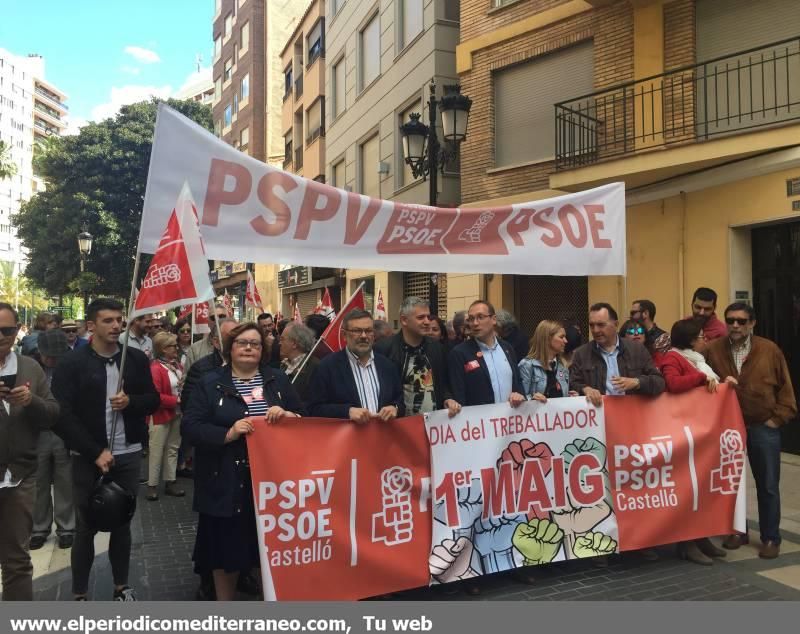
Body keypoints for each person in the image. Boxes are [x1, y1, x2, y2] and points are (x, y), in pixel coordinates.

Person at [182, 322, 303, 600]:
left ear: (263, 350)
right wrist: (228, 433)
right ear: (230, 348)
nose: (249, 348)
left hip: (272, 484)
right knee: (225, 552)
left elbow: (301, 416)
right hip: (224, 482)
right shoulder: (210, 382)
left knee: (267, 547)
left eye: (256, 344)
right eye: (242, 343)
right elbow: (190, 427)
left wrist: (288, 416)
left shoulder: (278, 380)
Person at [52, 298, 159, 601]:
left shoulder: (135, 359)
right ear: (91, 326)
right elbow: (62, 415)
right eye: (108, 321)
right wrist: (94, 451)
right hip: (88, 457)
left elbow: (152, 399)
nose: (116, 326)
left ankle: (121, 587)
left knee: (122, 523)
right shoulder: (72, 363)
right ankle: (80, 593)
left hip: (128, 452)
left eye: (118, 320)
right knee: (86, 527)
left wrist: (131, 403)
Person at [706, 303, 797, 559]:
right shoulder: (714, 349)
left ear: (752, 323)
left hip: (763, 426)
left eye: (741, 321)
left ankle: (770, 537)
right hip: (728, 429)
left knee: (767, 484)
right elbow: (696, 371)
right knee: (731, 483)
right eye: (731, 320)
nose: (735, 325)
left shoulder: (769, 350)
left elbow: (786, 389)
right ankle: (737, 531)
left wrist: (778, 419)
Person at [0, 303, 60, 600]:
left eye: (7, 330)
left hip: (18, 478)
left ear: (15, 332)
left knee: (17, 562)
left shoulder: (29, 367)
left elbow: (52, 413)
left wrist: (31, 401)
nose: (1, 336)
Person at [656, 318, 727, 565]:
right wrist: (698, 379)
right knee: (688, 488)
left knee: (702, 487)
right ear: (688, 339)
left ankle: (701, 536)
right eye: (699, 336)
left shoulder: (696, 359)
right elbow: (673, 384)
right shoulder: (672, 359)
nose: (704, 339)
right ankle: (686, 543)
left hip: (701, 430)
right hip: (684, 430)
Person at [309, 309, 401, 423]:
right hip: (347, 439)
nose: (363, 336)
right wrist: (346, 411)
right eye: (357, 331)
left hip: (382, 438)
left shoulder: (387, 366)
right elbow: (313, 409)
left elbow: (399, 400)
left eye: (368, 331)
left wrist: (395, 408)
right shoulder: (327, 367)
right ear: (344, 335)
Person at [375, 297, 460, 417]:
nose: (427, 322)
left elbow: (443, 382)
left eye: (428, 317)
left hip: (434, 425)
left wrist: (447, 398)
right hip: (398, 427)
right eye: (420, 317)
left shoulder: (437, 348)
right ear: (404, 320)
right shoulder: (383, 349)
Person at [570, 303, 665, 407]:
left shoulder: (637, 350)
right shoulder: (581, 354)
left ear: (616, 324)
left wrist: (637, 382)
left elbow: (659, 382)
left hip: (632, 414)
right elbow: (572, 383)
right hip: (599, 416)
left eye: (601, 325)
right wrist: (585, 389)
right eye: (592, 325)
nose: (595, 330)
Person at [30, 329, 75, 552]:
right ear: (40, 351)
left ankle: (66, 527)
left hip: (62, 430)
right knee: (38, 483)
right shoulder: (29, 367)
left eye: (57, 356)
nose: (52, 360)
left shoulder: (69, 366)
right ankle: (39, 528)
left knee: (64, 480)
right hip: (36, 431)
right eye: (49, 356)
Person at [448, 300, 526, 409]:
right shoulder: (460, 353)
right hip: (478, 423)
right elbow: (458, 394)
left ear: (493, 319)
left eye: (480, 317)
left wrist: (519, 394)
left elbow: (517, 381)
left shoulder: (507, 348)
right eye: (471, 319)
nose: (475, 323)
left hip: (508, 420)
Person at [146, 332, 184, 501]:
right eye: (172, 346)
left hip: (176, 413)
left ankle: (170, 481)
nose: (176, 348)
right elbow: (156, 396)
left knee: (173, 448)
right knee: (156, 450)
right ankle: (152, 485)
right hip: (160, 414)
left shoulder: (175, 366)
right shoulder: (155, 368)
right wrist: (177, 400)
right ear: (162, 349)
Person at [518, 320, 573, 402]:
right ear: (547, 339)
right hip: (536, 414)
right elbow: (520, 397)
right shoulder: (527, 365)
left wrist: (571, 397)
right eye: (561, 337)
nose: (566, 341)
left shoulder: (563, 366)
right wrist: (532, 399)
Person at [279, 322, 319, 405]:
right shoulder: (283, 365)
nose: (279, 343)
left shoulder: (315, 367)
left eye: (282, 339)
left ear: (294, 344)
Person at [185, 305, 228, 372]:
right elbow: (186, 377)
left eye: (222, 317)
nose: (218, 320)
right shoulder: (195, 349)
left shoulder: (239, 346)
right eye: (213, 318)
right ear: (208, 322)